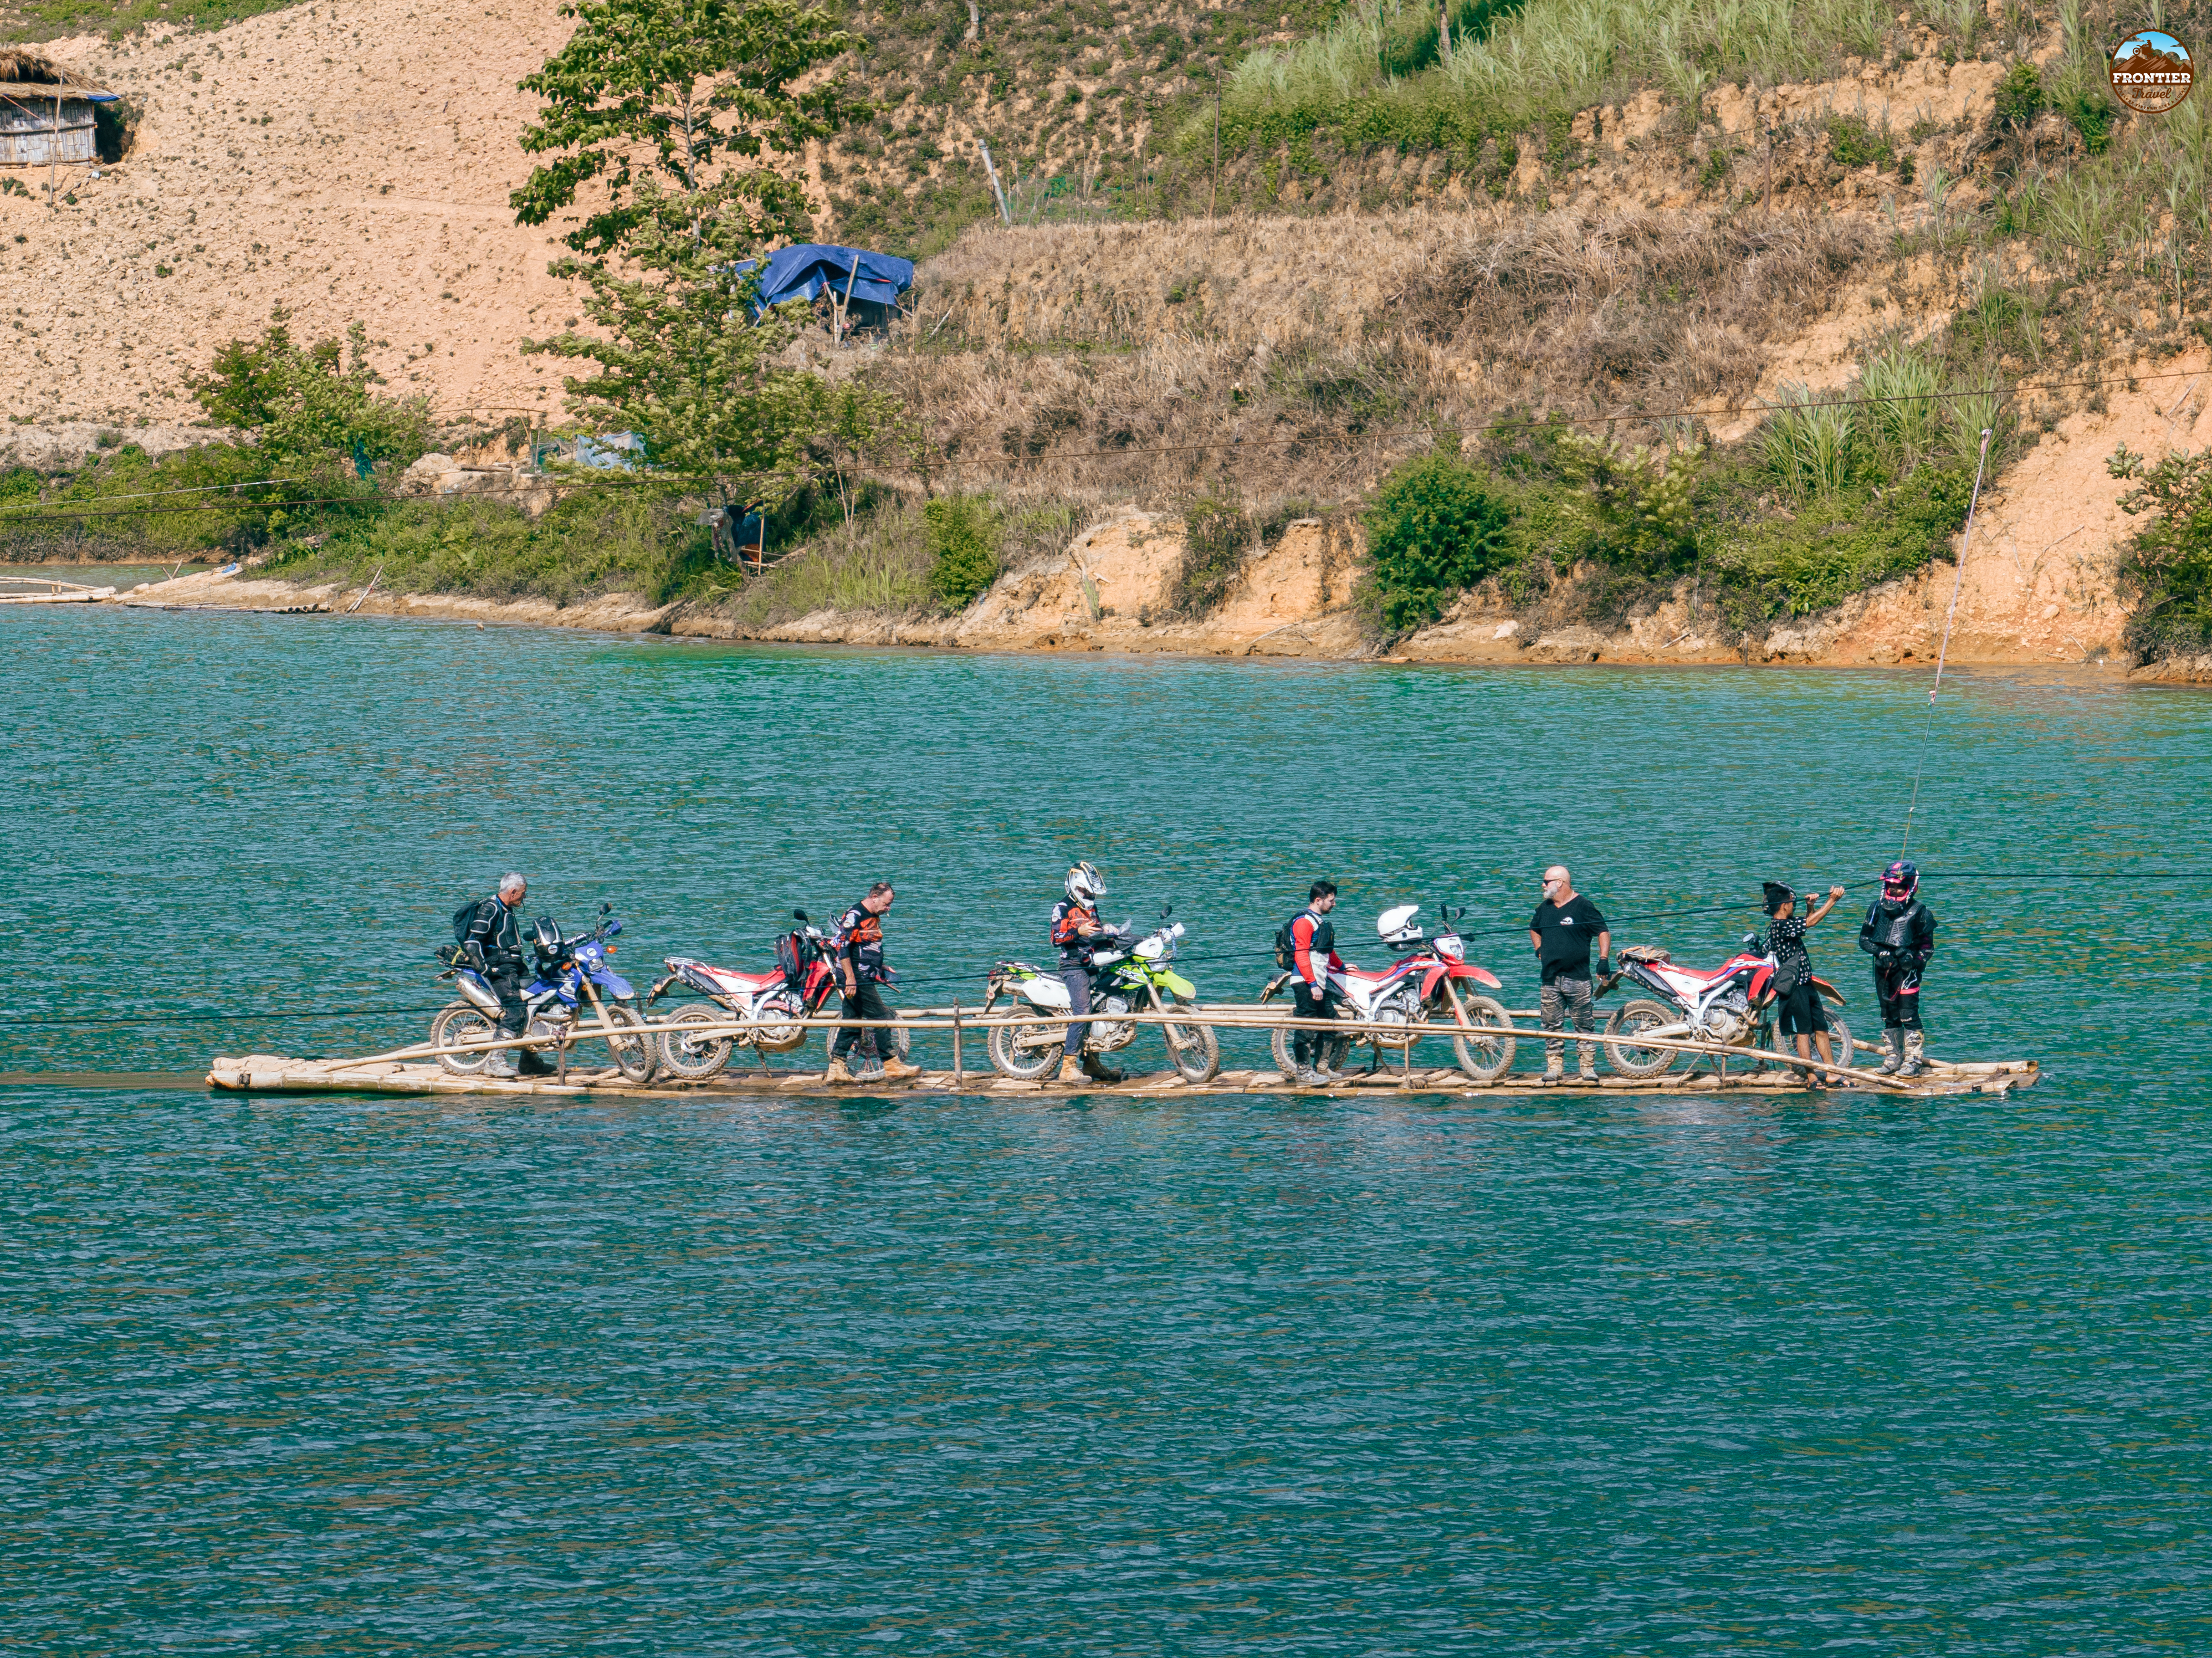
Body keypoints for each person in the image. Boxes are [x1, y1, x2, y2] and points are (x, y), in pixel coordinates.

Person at [825, 882, 920, 1085]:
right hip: (856, 978)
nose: (889, 909)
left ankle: (836, 1069)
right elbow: (842, 949)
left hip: (864, 974)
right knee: (881, 1017)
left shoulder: (873, 916)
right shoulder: (855, 915)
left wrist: (881, 966)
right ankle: (891, 1065)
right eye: (887, 904)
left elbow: (866, 947)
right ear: (875, 897)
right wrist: (850, 978)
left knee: (852, 1021)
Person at [462, 872, 550, 1079]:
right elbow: (472, 943)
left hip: (515, 966)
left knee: (539, 1003)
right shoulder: (490, 909)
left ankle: (529, 1061)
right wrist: (485, 969)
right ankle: (494, 1062)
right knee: (516, 1010)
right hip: (499, 968)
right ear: (513, 892)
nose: (524, 898)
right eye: (523, 894)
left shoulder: (506, 909)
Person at [1762, 881, 1848, 1087]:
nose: (1794, 906)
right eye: (1792, 903)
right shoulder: (1779, 926)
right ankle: (1811, 1076)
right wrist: (1832, 901)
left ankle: (1832, 1072)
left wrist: (1811, 906)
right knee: (1803, 1032)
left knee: (1821, 1029)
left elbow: (1807, 920)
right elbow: (1811, 923)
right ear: (1784, 906)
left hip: (1807, 983)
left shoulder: (1788, 924)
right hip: (1795, 988)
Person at [1530, 864, 1611, 1083]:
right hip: (1550, 978)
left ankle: (1587, 1068)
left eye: (1546, 882)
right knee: (1551, 1024)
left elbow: (1603, 932)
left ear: (1560, 883)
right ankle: (1554, 1068)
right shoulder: (1545, 908)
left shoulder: (1584, 906)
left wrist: (1603, 960)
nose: (1543, 885)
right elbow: (1534, 929)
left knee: (1584, 1024)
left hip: (1578, 978)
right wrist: (1539, 949)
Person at [1858, 860, 1937, 1077]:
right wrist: (1879, 952)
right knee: (1888, 1015)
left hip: (1907, 973)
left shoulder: (1921, 912)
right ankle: (1894, 1058)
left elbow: (1928, 948)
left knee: (1908, 1014)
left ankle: (1913, 1061)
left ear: (1910, 887)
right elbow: (1864, 939)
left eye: (1899, 886)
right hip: (1883, 970)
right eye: (1891, 885)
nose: (1894, 890)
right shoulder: (1875, 908)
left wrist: (1913, 960)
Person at [1049, 861, 1124, 1084]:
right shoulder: (1062, 907)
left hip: (1092, 963)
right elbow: (1055, 939)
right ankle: (1068, 1066)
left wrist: (1108, 932)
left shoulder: (1091, 908)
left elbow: (1095, 932)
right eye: (1085, 891)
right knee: (1083, 1010)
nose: (1089, 895)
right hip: (1072, 967)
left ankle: (1091, 1062)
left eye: (1091, 892)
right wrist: (1076, 931)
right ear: (1075, 886)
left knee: (1101, 1005)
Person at [1283, 880, 1347, 1086]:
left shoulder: (1319, 921)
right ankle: (1303, 1073)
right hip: (1304, 982)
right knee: (1306, 1026)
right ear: (1318, 900)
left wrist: (1343, 967)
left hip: (1320, 981)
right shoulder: (1304, 922)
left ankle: (1322, 1067)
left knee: (1331, 1023)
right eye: (1331, 900)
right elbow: (1301, 955)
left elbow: (1327, 950)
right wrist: (1312, 984)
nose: (1334, 904)